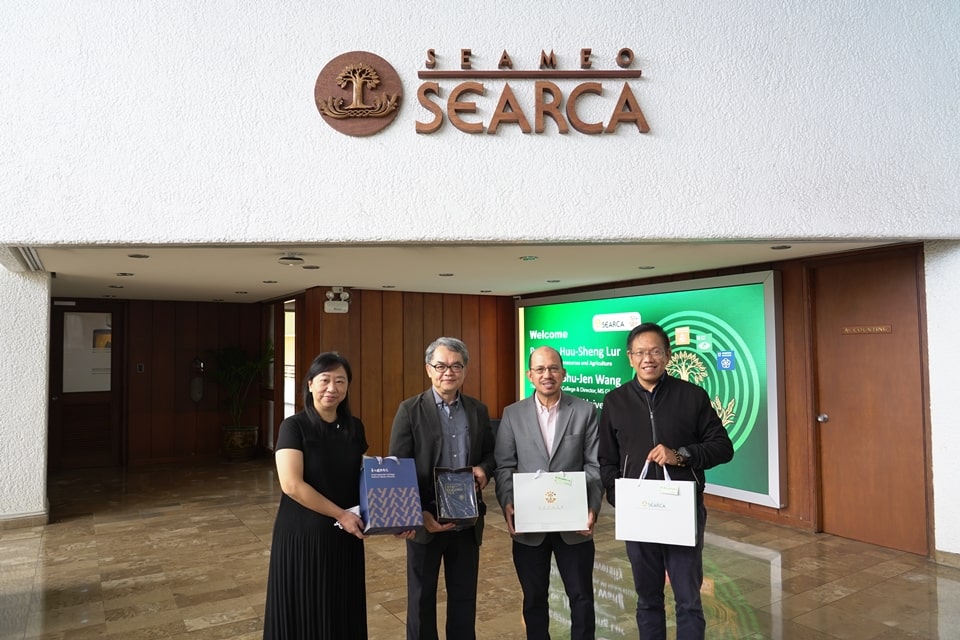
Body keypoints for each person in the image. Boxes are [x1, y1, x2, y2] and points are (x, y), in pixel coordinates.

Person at [598, 323, 734, 640]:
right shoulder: (615, 401)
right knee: (647, 600)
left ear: (668, 356)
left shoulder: (692, 397)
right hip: (639, 514)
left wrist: (681, 454)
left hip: (682, 511)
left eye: (656, 351)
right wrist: (618, 494)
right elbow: (607, 459)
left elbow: (722, 448)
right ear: (630, 358)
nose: (649, 358)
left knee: (688, 599)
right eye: (641, 352)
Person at [388, 337, 496, 640]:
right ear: (428, 369)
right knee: (421, 601)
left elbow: (491, 455)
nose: (448, 372)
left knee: (464, 599)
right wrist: (418, 513)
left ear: (465, 370)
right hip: (425, 522)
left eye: (456, 365)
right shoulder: (409, 410)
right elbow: (398, 467)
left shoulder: (477, 410)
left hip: (466, 521)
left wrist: (484, 470)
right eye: (441, 365)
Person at [494, 346, 602, 640]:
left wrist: (591, 506)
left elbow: (594, 464)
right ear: (530, 375)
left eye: (553, 368)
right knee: (533, 600)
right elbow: (504, 466)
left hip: (574, 524)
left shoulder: (585, 411)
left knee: (581, 598)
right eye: (540, 369)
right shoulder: (512, 414)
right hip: (530, 524)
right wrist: (507, 503)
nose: (547, 375)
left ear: (563, 373)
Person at [263, 352, 369, 640]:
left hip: (346, 534)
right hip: (305, 534)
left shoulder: (353, 427)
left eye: (340, 381)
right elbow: (291, 485)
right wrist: (340, 514)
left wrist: (387, 475)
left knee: (341, 607)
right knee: (306, 609)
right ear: (310, 384)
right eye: (325, 380)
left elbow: (360, 469)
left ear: (348, 387)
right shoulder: (294, 427)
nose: (332, 388)